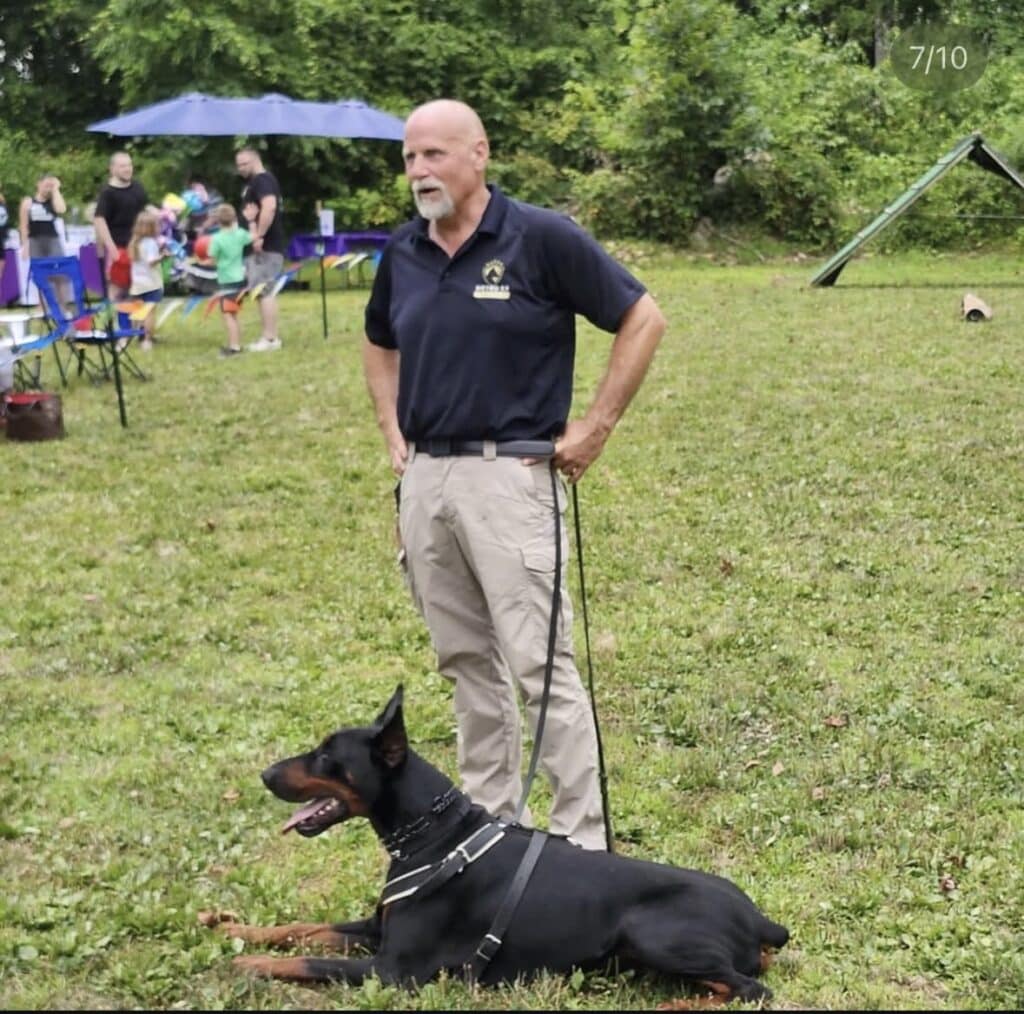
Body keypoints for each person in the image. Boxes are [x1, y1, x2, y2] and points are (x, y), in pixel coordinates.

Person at [362, 99, 666, 851]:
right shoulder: (402, 253)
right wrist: (390, 425)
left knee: (539, 666)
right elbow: (378, 342)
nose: (418, 172)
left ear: (479, 154)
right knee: (467, 664)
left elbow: (643, 317)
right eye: (409, 158)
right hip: (426, 481)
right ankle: (493, 834)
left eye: (433, 155)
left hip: (510, 478)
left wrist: (596, 427)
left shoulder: (540, 238)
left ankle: (582, 846)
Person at [234, 147, 284, 352]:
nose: (240, 168)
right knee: (261, 290)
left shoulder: (262, 180)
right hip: (261, 245)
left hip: (266, 246)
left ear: (256, 161)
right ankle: (268, 335)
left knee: (264, 291)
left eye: (244, 163)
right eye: (238, 165)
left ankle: (271, 339)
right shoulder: (256, 182)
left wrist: (259, 235)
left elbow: (269, 206)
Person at [93, 152, 150, 300]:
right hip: (119, 247)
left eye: (129, 165)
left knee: (139, 289)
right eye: (123, 166)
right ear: (112, 169)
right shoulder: (108, 193)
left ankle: (136, 323)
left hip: (138, 246)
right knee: (117, 288)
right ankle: (116, 320)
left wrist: (167, 213)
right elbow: (99, 220)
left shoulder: (137, 187)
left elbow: (146, 209)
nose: (127, 169)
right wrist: (112, 249)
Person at [207, 203, 253, 358]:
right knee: (233, 314)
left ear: (217, 221)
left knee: (228, 315)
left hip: (227, 282)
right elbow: (253, 237)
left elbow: (212, 260)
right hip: (240, 280)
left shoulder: (216, 239)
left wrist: (201, 262)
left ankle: (234, 347)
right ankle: (236, 343)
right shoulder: (240, 234)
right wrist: (251, 221)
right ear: (234, 218)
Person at [127, 209, 166, 350]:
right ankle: (147, 340)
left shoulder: (134, 243)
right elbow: (151, 262)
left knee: (138, 311)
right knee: (149, 312)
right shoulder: (151, 243)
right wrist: (163, 256)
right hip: (151, 284)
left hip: (137, 284)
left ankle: (136, 334)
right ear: (152, 228)